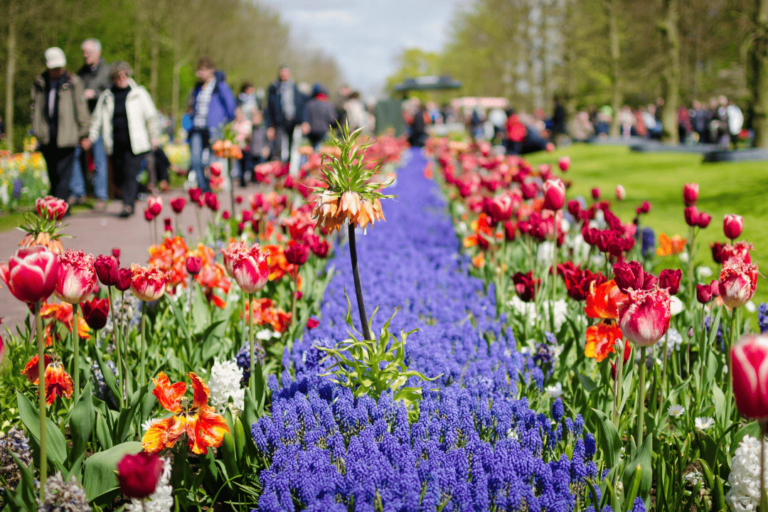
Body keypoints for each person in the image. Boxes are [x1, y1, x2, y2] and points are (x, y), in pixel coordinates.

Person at [84, 61, 159, 217]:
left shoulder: (139, 93)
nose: (122, 78)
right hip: (115, 143)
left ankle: (128, 205)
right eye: (118, 76)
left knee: (130, 174)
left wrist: (154, 137)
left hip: (135, 144)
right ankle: (131, 197)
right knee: (119, 176)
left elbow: (151, 117)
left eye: (124, 75)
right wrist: (90, 138)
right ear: (113, 78)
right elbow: (96, 120)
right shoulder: (106, 97)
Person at [31, 47, 90, 202]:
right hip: (47, 135)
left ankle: (60, 206)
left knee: (64, 174)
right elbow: (34, 107)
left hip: (67, 135)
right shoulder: (40, 82)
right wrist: (37, 130)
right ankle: (56, 204)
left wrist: (84, 133)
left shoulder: (73, 82)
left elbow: (81, 107)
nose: (57, 71)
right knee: (53, 173)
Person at [185, 57, 236, 192]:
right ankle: (204, 187)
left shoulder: (220, 86)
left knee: (213, 161)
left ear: (210, 70)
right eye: (198, 70)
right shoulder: (197, 88)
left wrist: (226, 123)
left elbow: (231, 106)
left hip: (214, 128)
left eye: (202, 70)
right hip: (197, 128)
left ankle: (214, 186)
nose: (199, 74)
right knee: (196, 160)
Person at [70, 38, 110, 208]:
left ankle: (101, 196)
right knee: (74, 155)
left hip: (99, 122)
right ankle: (78, 192)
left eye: (88, 52)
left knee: (99, 158)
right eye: (84, 52)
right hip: (82, 122)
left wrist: (94, 94)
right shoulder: (81, 73)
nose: (85, 55)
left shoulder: (107, 71)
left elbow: (110, 93)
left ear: (98, 53)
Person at [266, 65, 304, 162]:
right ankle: (279, 171)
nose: (283, 74)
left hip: (293, 122)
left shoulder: (296, 88)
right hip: (279, 122)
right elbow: (270, 108)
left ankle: (289, 172)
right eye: (282, 72)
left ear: (289, 73)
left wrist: (302, 122)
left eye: (285, 72)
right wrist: (270, 125)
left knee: (293, 149)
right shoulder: (274, 88)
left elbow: (301, 106)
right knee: (279, 148)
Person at [302, 83, 336, 150]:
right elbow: (332, 119)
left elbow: (305, 117)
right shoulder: (328, 105)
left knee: (312, 148)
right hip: (324, 130)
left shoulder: (309, 103)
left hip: (311, 131)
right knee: (322, 149)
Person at [247, 109, 269, 183]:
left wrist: (266, 148)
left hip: (261, 151)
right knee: (253, 168)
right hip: (253, 151)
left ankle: (260, 180)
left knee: (261, 169)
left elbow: (266, 140)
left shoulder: (263, 129)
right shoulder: (251, 129)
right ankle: (254, 180)